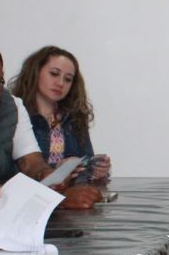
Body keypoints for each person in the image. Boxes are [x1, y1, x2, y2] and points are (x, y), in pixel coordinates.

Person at [0, 41, 101, 209]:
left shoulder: (12, 105)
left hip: (13, 207)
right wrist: (59, 199)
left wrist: (51, 176)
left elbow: (31, 163)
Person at [10, 45, 111, 182]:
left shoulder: (75, 118)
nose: (60, 83)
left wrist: (96, 170)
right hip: (28, 193)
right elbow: (10, 171)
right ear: (35, 72)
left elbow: (85, 168)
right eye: (54, 73)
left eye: (68, 79)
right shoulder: (14, 116)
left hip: (70, 193)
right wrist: (57, 169)